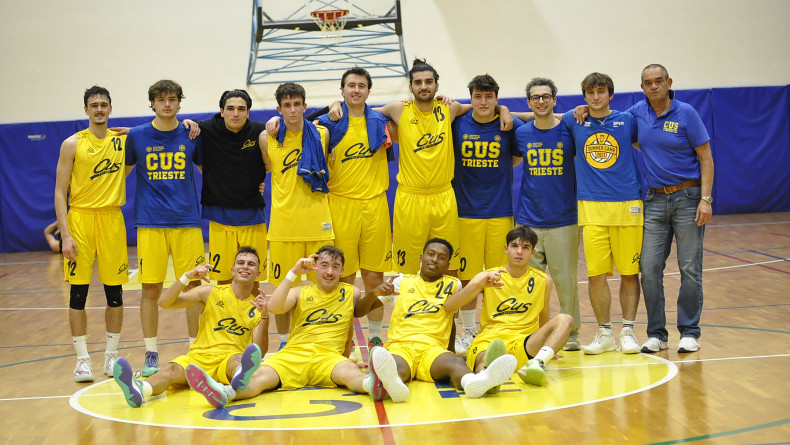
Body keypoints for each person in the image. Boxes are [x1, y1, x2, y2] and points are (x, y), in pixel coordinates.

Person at [329, 59, 513, 277]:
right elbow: (357, 109)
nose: (423, 86)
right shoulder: (398, 109)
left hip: (443, 197)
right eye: (418, 82)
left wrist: (503, 109)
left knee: (449, 264)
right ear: (410, 87)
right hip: (410, 199)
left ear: (437, 85)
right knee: (406, 269)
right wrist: (335, 104)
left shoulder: (450, 108)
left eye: (428, 82)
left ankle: (448, 301)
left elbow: (482, 107)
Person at [186, 246, 409, 407]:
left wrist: (379, 293)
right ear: (315, 268)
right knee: (259, 378)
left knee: (351, 373)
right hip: (292, 355)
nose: (329, 271)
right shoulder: (300, 291)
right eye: (324, 266)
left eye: (335, 267)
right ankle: (224, 393)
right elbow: (274, 307)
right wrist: (293, 273)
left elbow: (359, 312)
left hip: (328, 357)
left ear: (342, 271)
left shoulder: (351, 292)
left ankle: (375, 385)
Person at [183, 89, 293, 346]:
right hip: (220, 218)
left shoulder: (259, 131)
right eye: (230, 108)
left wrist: (275, 119)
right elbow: (169, 128)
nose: (236, 113)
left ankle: (253, 338)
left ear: (248, 112)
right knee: (223, 282)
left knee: (253, 281)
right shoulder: (207, 129)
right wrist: (186, 122)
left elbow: (292, 130)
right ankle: (224, 337)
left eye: (241, 109)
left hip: (252, 217)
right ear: (221, 111)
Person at [358, 239, 518, 398]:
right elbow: (359, 312)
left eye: (441, 257)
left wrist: (451, 352)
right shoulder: (401, 281)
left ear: (448, 265)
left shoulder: (453, 284)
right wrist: (373, 293)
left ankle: (473, 383)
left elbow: (451, 320)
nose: (434, 259)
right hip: (401, 347)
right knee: (395, 366)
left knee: (456, 363)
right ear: (421, 257)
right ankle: (393, 384)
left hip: (433, 349)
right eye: (430, 254)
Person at [112, 247, 269, 407]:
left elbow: (260, 351)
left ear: (258, 273)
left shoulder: (257, 307)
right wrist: (186, 277)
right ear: (232, 270)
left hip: (228, 359)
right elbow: (164, 303)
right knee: (171, 370)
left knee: (238, 362)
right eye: (241, 263)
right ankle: (140, 390)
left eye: (251, 264)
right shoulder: (209, 292)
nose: (245, 267)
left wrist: (264, 316)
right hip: (198, 358)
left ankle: (235, 380)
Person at [628, 64, 713, 353]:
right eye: (648, 82)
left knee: (689, 267)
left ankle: (689, 332)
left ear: (669, 82)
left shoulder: (686, 113)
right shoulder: (636, 113)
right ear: (642, 87)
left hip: (688, 197)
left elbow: (706, 158)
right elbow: (608, 121)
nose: (654, 86)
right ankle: (657, 334)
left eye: (659, 81)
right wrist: (580, 110)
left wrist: (706, 199)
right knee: (649, 268)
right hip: (654, 201)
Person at [125, 79, 205, 376]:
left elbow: (211, 171)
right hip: (150, 222)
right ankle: (151, 353)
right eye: (161, 99)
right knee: (150, 288)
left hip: (187, 221)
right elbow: (119, 173)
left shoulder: (191, 134)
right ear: (153, 103)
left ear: (179, 102)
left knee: (195, 287)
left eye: (172, 99)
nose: (167, 104)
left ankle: (196, 350)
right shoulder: (137, 135)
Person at [562, 73, 642, 355]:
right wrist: (504, 110)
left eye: (601, 91)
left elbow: (650, 144)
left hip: (628, 205)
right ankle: (605, 333)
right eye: (590, 92)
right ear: (584, 96)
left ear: (610, 94)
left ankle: (628, 331)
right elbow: (542, 116)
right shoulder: (573, 119)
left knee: (630, 273)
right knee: (596, 275)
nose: (596, 97)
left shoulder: (628, 121)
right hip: (591, 207)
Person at [54, 86, 129, 382]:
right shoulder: (72, 144)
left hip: (111, 219)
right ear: (86, 110)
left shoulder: (123, 141)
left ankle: (111, 356)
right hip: (80, 220)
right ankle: (82, 360)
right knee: (78, 294)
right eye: (94, 105)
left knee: (115, 293)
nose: (99, 109)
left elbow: (159, 131)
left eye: (103, 104)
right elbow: (59, 192)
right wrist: (65, 234)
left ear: (111, 109)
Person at [451, 74, 526, 356]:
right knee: (468, 277)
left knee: (499, 277)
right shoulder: (458, 122)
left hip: (500, 212)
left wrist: (505, 111)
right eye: (477, 97)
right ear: (470, 98)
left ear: (496, 98)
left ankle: (497, 328)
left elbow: (517, 155)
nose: (483, 102)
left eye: (489, 97)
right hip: (465, 212)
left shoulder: (509, 124)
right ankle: (469, 330)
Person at [446, 226, 573, 386]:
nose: (519, 252)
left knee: (566, 319)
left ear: (532, 253)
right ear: (506, 249)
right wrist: (478, 283)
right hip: (490, 340)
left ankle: (537, 363)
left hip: (524, 343)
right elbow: (450, 306)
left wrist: (547, 347)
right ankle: (484, 380)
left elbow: (544, 313)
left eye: (525, 247)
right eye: (514, 246)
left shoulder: (543, 280)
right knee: (485, 360)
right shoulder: (489, 276)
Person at [261, 82, 335, 349]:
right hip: (284, 225)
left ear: (305, 106)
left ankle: (321, 340)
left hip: (318, 222)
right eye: (287, 105)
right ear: (279, 109)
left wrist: (336, 103)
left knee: (324, 288)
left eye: (297, 104)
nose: (292, 110)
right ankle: (284, 343)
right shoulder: (267, 137)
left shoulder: (322, 133)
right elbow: (266, 168)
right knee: (282, 289)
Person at [512, 77, 582, 351]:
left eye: (545, 97)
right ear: (529, 103)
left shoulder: (569, 129)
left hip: (563, 219)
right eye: (535, 97)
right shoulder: (521, 133)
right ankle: (530, 332)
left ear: (554, 100)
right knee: (529, 283)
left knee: (566, 282)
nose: (541, 101)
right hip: (528, 219)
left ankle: (571, 332)